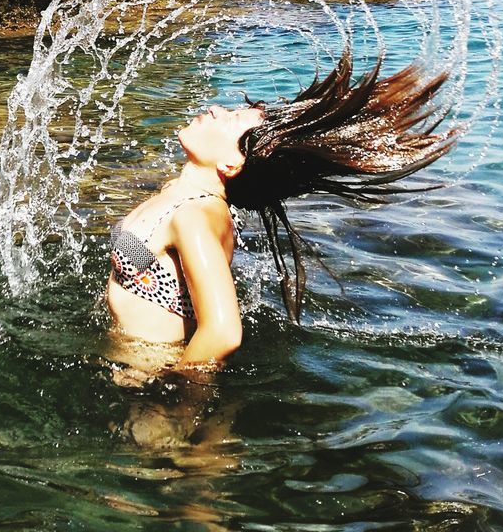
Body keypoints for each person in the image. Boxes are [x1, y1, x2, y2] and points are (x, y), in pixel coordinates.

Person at [106, 49, 456, 371]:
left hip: (155, 389)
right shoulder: (181, 194)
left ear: (231, 163)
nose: (215, 110)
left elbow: (225, 332)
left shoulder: (195, 217)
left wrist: (174, 395)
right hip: (131, 370)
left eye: (229, 120)